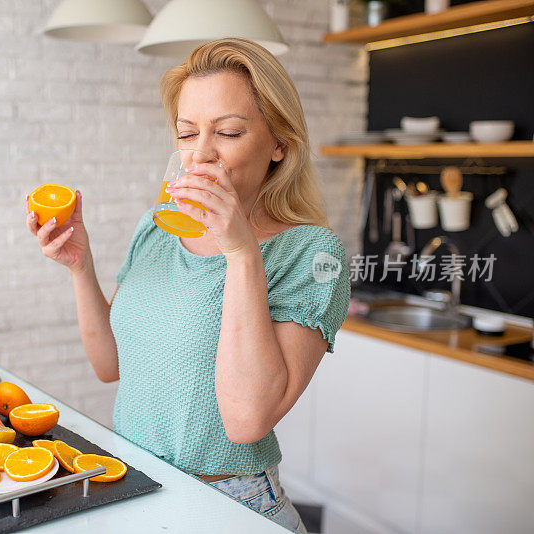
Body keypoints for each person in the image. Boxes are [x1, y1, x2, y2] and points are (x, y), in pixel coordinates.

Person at [26, 38, 350, 533]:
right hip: (134, 488)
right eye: (186, 133)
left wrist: (240, 251)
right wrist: (80, 266)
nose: (201, 156)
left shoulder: (312, 253)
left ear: (279, 143)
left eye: (229, 132)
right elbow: (110, 365)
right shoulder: (157, 228)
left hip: (231, 504)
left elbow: (247, 421)